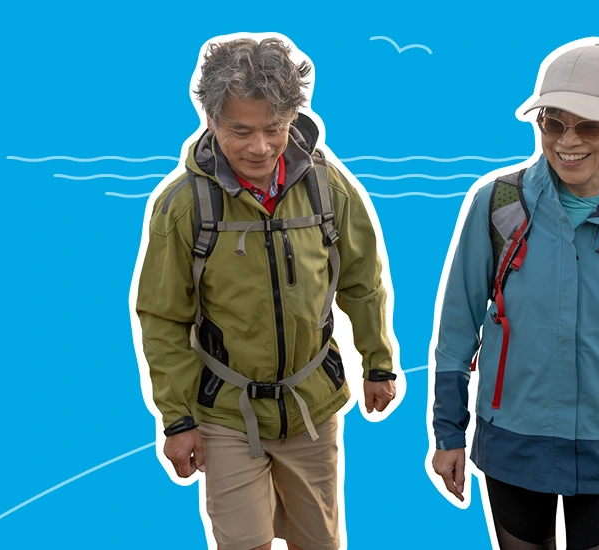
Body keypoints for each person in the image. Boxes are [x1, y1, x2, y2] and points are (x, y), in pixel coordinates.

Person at [426, 41, 599, 550]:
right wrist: (448, 433)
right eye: (553, 123)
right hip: (513, 441)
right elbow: (456, 329)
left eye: (589, 125)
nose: (567, 141)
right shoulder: (498, 203)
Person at [134, 34, 401, 550]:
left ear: (291, 120)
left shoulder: (329, 188)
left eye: (274, 128)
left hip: (311, 407)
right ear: (211, 121)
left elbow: (362, 281)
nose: (259, 146)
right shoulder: (184, 207)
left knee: (320, 544)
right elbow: (163, 319)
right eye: (240, 130)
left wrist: (378, 361)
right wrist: (177, 420)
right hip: (227, 415)